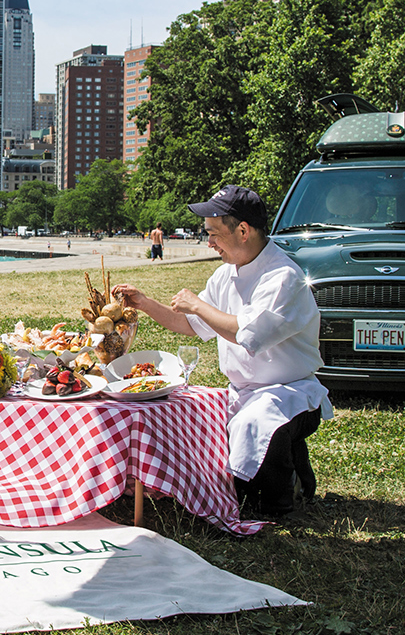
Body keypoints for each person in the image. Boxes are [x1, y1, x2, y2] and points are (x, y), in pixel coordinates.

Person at [112, 185, 329, 523]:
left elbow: (249, 334)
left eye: (213, 233)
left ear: (243, 230)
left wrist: (198, 304)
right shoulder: (225, 273)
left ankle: (278, 504)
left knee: (256, 424)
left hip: (289, 391)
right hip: (242, 390)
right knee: (197, 414)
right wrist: (145, 303)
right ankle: (275, 474)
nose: (209, 242)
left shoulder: (283, 277)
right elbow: (191, 324)